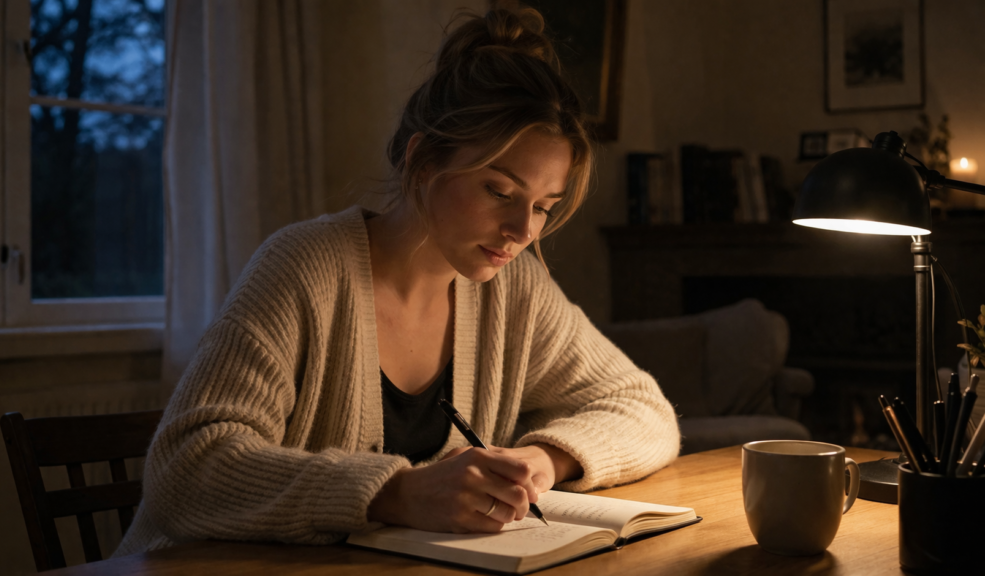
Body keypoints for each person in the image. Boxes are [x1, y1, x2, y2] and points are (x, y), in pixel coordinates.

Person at [115, 7, 678, 555]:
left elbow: (641, 406)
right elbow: (184, 471)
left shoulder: (515, 288)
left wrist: (544, 459)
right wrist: (394, 492)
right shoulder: (305, 267)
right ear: (423, 160)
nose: (521, 230)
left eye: (543, 206)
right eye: (499, 192)